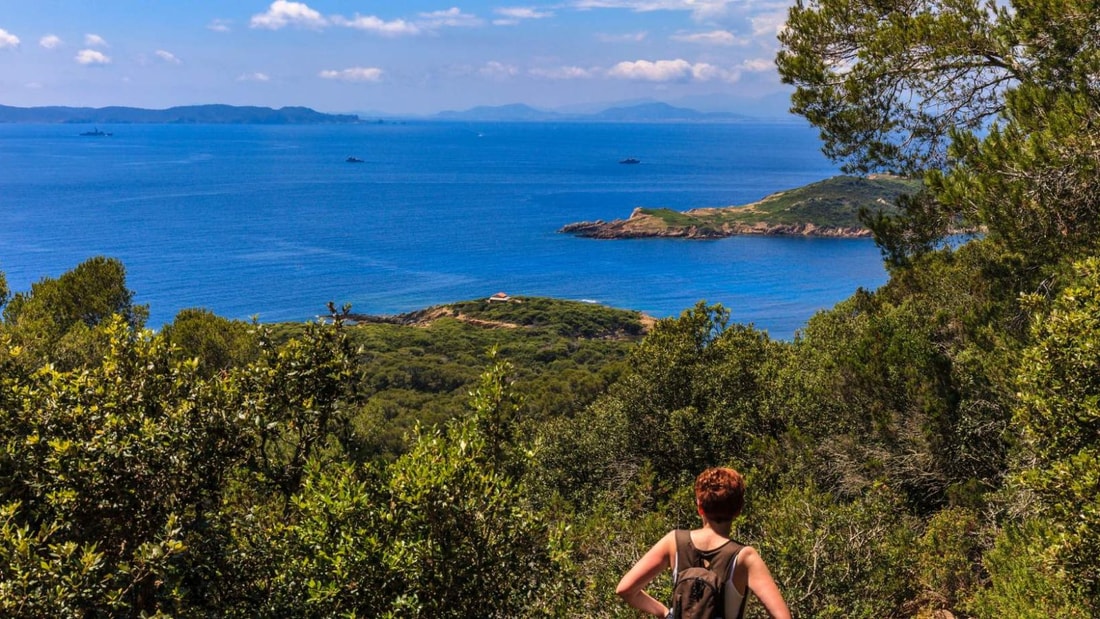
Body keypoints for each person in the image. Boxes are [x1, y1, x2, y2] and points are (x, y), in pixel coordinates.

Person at [616, 467, 791, 619]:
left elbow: (625, 589)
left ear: (700, 507)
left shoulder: (674, 541)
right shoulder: (745, 557)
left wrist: (665, 613)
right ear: (738, 510)